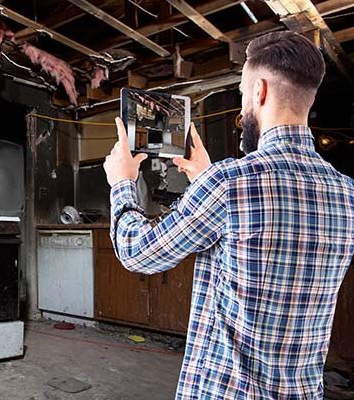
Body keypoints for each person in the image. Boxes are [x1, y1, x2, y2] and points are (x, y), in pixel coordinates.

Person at [103, 31, 354, 399]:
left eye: (241, 93)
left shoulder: (229, 184)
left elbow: (137, 251)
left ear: (260, 92)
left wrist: (122, 182)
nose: (241, 109)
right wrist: (204, 178)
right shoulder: (347, 192)